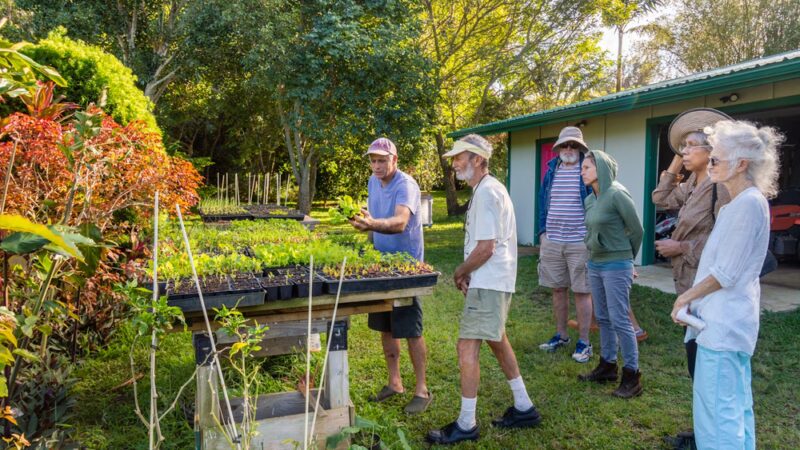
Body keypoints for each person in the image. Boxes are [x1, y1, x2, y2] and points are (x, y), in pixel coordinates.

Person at [670, 120, 781, 449]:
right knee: (733, 409)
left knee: (718, 416)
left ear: (742, 164)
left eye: (716, 159)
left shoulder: (747, 204)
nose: (712, 163)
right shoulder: (742, 203)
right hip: (724, 325)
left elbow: (726, 273)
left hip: (724, 328)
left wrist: (683, 299)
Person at [427, 134, 541, 445]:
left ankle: (466, 424)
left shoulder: (488, 192)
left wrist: (460, 272)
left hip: (489, 281)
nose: (455, 164)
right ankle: (524, 406)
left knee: (466, 348)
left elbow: (486, 248)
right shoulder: (487, 190)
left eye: (460, 157)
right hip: (491, 281)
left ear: (478, 160)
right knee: (496, 339)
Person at [654, 108, 732, 449]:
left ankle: (708, 437)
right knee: (694, 362)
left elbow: (725, 242)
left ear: (710, 150)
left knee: (706, 365)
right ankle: (702, 431)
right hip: (689, 283)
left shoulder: (721, 188)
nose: (683, 152)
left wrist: (681, 245)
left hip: (708, 288)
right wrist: (674, 165)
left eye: (689, 146)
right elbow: (660, 199)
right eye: (682, 147)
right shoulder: (693, 185)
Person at [348, 137, 431, 414]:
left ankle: (422, 389)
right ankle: (395, 382)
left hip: (405, 269)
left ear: (395, 160)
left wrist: (372, 224)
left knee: (410, 328)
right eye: (373, 160)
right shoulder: (373, 181)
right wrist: (367, 231)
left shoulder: (405, 185)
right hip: (381, 266)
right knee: (385, 325)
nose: (376, 165)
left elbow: (399, 222)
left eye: (382, 160)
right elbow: (374, 217)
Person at [577, 150, 644, 399]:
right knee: (603, 317)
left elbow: (637, 230)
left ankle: (632, 375)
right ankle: (607, 365)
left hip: (617, 264)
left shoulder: (617, 194)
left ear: (601, 169)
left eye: (586, 168)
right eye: (582, 168)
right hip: (595, 264)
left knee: (620, 319)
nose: (582, 172)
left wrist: (627, 258)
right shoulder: (590, 199)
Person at [536, 126, 594, 363]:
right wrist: (542, 233)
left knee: (582, 291)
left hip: (580, 241)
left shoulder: (588, 170)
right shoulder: (551, 170)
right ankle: (561, 335)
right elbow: (542, 202)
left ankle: (584, 342)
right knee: (558, 289)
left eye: (574, 145)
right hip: (552, 240)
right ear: (558, 148)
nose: (569, 149)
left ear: (580, 148)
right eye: (565, 145)